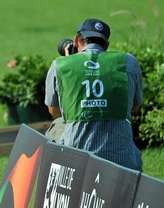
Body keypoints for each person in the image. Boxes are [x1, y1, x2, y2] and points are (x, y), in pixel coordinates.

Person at [44, 18, 143, 171]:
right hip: (123, 161)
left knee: (57, 125)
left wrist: (72, 72)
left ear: (76, 41)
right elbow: (135, 107)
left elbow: (54, 111)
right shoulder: (129, 62)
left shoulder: (61, 65)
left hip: (76, 158)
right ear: (106, 45)